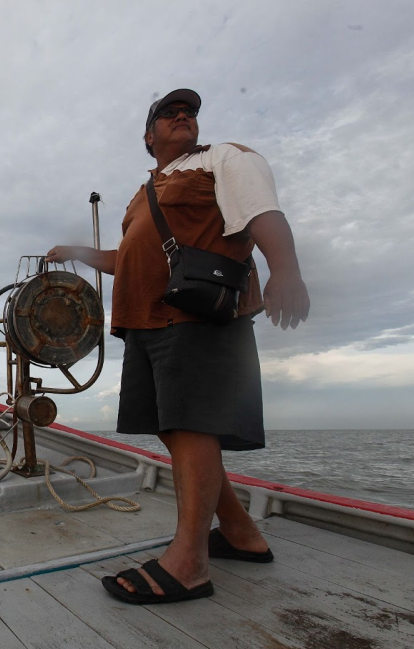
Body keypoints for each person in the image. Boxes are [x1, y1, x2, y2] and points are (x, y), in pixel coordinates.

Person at [46, 88, 309, 604]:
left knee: (191, 426)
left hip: (196, 314)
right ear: (149, 137)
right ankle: (241, 534)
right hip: (145, 321)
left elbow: (261, 211)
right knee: (175, 428)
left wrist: (287, 270)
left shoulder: (224, 158)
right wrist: (78, 253)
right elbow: (128, 257)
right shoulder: (145, 192)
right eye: (169, 114)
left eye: (188, 112)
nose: (183, 116)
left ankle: (189, 565)